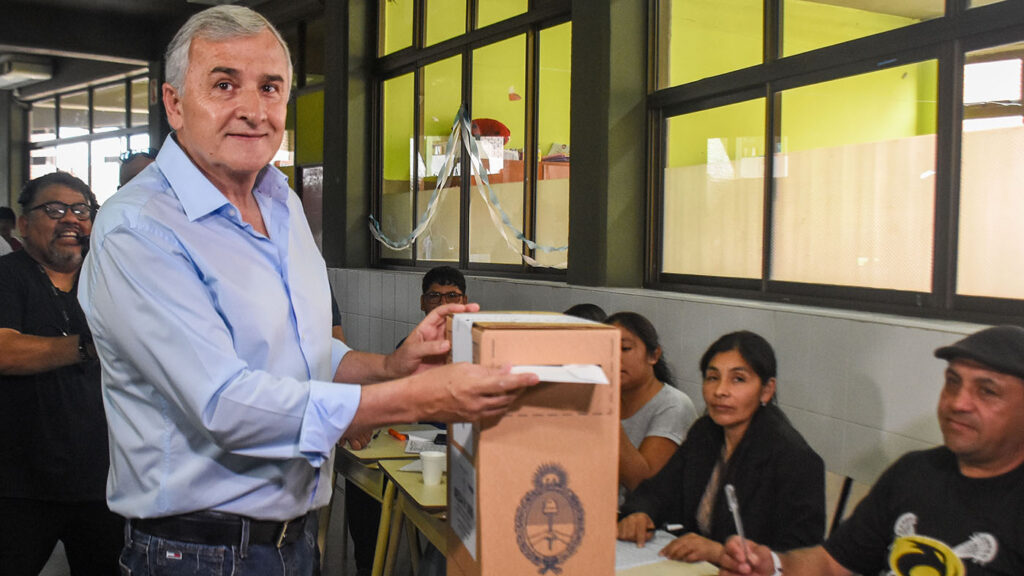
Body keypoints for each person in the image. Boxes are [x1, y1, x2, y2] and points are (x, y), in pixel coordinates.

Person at [77, 7, 537, 576]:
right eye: (224, 85)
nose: (253, 110)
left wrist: (390, 368)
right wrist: (419, 398)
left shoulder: (282, 203)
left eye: (270, 88)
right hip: (196, 553)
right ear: (174, 104)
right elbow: (224, 404)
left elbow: (301, 351)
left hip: (293, 541)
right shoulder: (139, 228)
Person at [719, 325, 1024, 576]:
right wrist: (772, 566)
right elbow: (833, 563)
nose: (958, 403)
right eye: (953, 383)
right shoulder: (914, 473)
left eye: (987, 391)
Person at [0, 172, 123, 575]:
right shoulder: (7, 275)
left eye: (81, 211)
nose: (70, 219)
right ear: (23, 224)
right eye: (54, 210)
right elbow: (4, 350)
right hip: (18, 485)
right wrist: (88, 346)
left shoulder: (110, 280)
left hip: (105, 482)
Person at [619, 331, 825, 565]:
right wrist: (641, 513)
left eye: (738, 379)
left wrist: (719, 552)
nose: (720, 391)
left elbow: (799, 557)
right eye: (712, 377)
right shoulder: (705, 432)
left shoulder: (794, 459)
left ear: (767, 390)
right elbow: (658, 490)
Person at [606, 311, 696, 503]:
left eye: (625, 348)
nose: (614, 357)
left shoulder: (674, 406)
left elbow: (644, 486)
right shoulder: (603, 397)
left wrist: (606, 417)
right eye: (607, 349)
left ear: (654, 355)